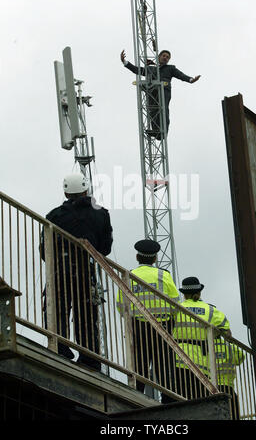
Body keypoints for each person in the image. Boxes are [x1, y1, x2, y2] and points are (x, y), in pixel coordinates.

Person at [41, 172, 113, 369]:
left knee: (57, 311)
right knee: (87, 316)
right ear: (86, 189)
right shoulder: (101, 214)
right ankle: (89, 358)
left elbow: (44, 250)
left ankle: (59, 348)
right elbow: (105, 248)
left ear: (65, 193)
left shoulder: (54, 216)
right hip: (85, 272)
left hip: (60, 271)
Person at [117, 239, 179, 403]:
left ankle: (137, 397)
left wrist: (131, 319)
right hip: (162, 327)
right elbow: (175, 303)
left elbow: (120, 304)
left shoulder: (128, 275)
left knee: (140, 364)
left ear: (137, 257)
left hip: (138, 326)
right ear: (155, 258)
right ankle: (168, 399)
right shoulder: (163, 275)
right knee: (164, 365)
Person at [173, 277, 231, 400]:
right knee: (199, 398)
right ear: (199, 293)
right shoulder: (210, 310)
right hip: (201, 363)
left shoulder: (176, 308)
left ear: (184, 294)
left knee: (176, 396)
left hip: (177, 358)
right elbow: (228, 334)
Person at [120, 49, 201, 139]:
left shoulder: (170, 68)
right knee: (152, 110)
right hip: (151, 90)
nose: (165, 58)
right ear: (159, 57)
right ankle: (156, 131)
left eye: (167, 57)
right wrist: (125, 62)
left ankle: (163, 132)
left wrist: (191, 80)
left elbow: (180, 75)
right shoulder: (150, 68)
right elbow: (137, 70)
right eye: (164, 56)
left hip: (163, 90)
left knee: (163, 109)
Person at [214, 336, 245, 420]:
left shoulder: (206, 345)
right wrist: (230, 341)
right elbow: (241, 356)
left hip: (212, 386)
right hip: (228, 386)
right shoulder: (229, 347)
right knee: (233, 414)